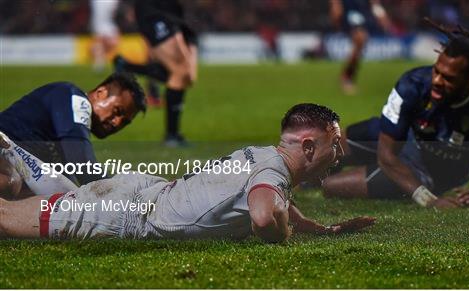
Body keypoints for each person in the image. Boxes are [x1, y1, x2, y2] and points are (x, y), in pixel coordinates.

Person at [0, 104, 375, 242]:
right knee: (7, 217)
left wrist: (323, 229)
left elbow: (278, 202)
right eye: (335, 144)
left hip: (145, 192)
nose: (339, 154)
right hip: (131, 216)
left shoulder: (266, 156)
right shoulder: (272, 174)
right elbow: (264, 216)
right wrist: (284, 235)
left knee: (29, 201)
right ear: (308, 146)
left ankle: (10, 166)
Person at [322, 21, 469, 209]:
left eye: (449, 78)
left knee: (329, 186)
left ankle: (329, 177)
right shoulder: (413, 84)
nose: (437, 81)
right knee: (329, 146)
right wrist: (429, 201)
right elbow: (386, 155)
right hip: (403, 139)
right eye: (437, 71)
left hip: (425, 171)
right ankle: (311, 176)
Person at [0, 72, 146, 198]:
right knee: (10, 181)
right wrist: (120, 194)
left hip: (9, 158)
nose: (117, 123)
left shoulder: (65, 133)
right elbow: (83, 164)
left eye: (124, 122)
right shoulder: (75, 98)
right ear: (101, 93)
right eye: (117, 111)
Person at [114, 0, 198, 147]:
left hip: (172, 13)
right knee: (179, 70)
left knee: (184, 75)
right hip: (156, 13)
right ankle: (172, 135)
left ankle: (127, 66)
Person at [329, 0, 393, 94]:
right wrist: (335, 5)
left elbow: (375, 3)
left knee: (361, 43)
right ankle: (346, 78)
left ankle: (347, 76)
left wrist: (380, 13)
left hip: (362, 10)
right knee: (361, 38)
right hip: (349, 10)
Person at [89, 0, 120, 72]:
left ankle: (99, 60)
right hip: (100, 23)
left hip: (107, 23)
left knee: (108, 43)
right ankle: (99, 62)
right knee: (100, 43)